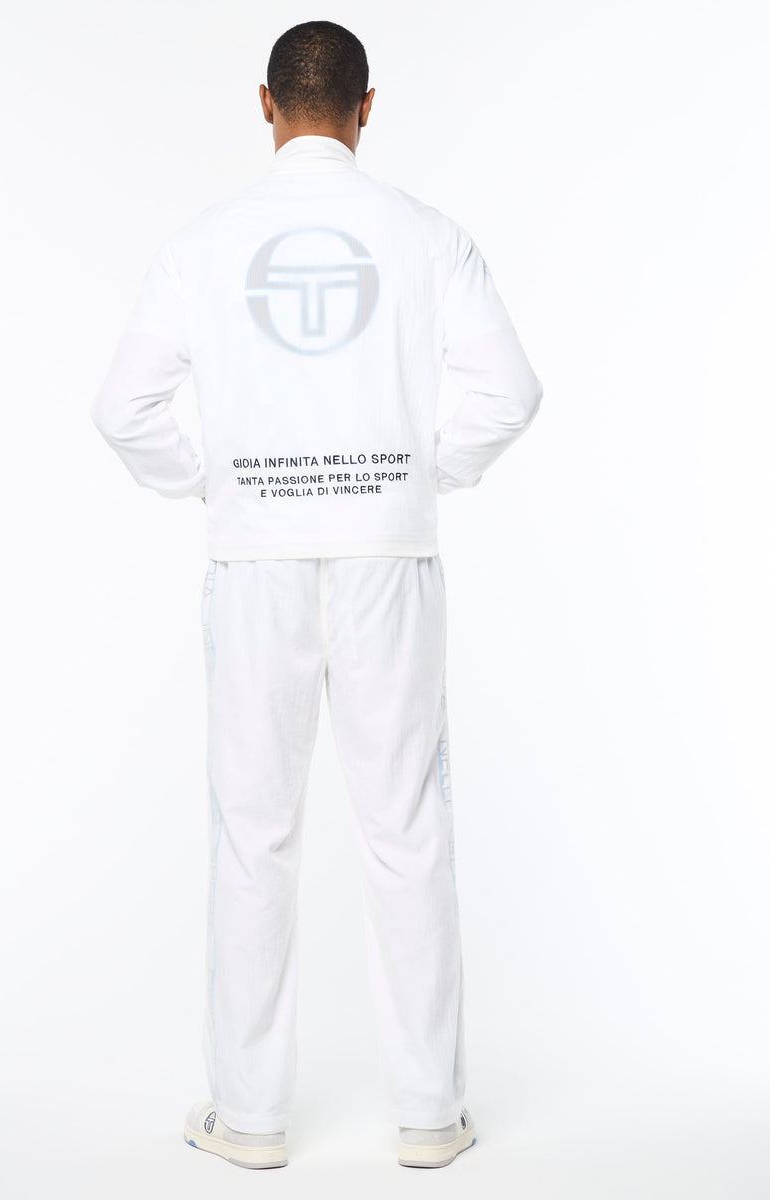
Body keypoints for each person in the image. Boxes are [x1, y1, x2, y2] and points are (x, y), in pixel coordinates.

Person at [90, 19, 543, 1171]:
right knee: (407, 831)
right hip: (390, 553)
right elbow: (510, 390)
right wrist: (422, 474)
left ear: (264, 104)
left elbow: (123, 409)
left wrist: (214, 482)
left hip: (257, 562)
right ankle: (430, 1114)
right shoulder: (428, 237)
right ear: (367, 106)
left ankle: (249, 1119)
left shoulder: (203, 246)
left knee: (254, 835)